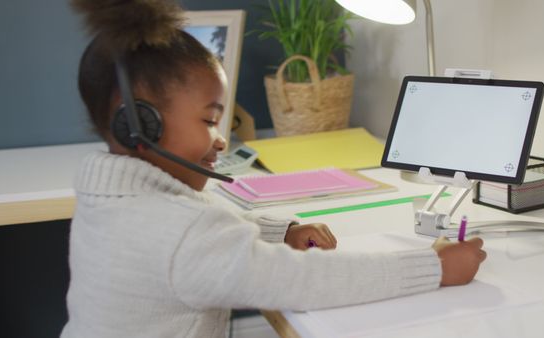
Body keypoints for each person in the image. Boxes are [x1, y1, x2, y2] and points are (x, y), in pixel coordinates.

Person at [62, 1, 487, 337]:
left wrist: (276, 231)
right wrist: (434, 268)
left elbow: (202, 226)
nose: (221, 139)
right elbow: (300, 281)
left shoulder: (116, 198)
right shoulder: (179, 230)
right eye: (210, 120)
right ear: (140, 123)